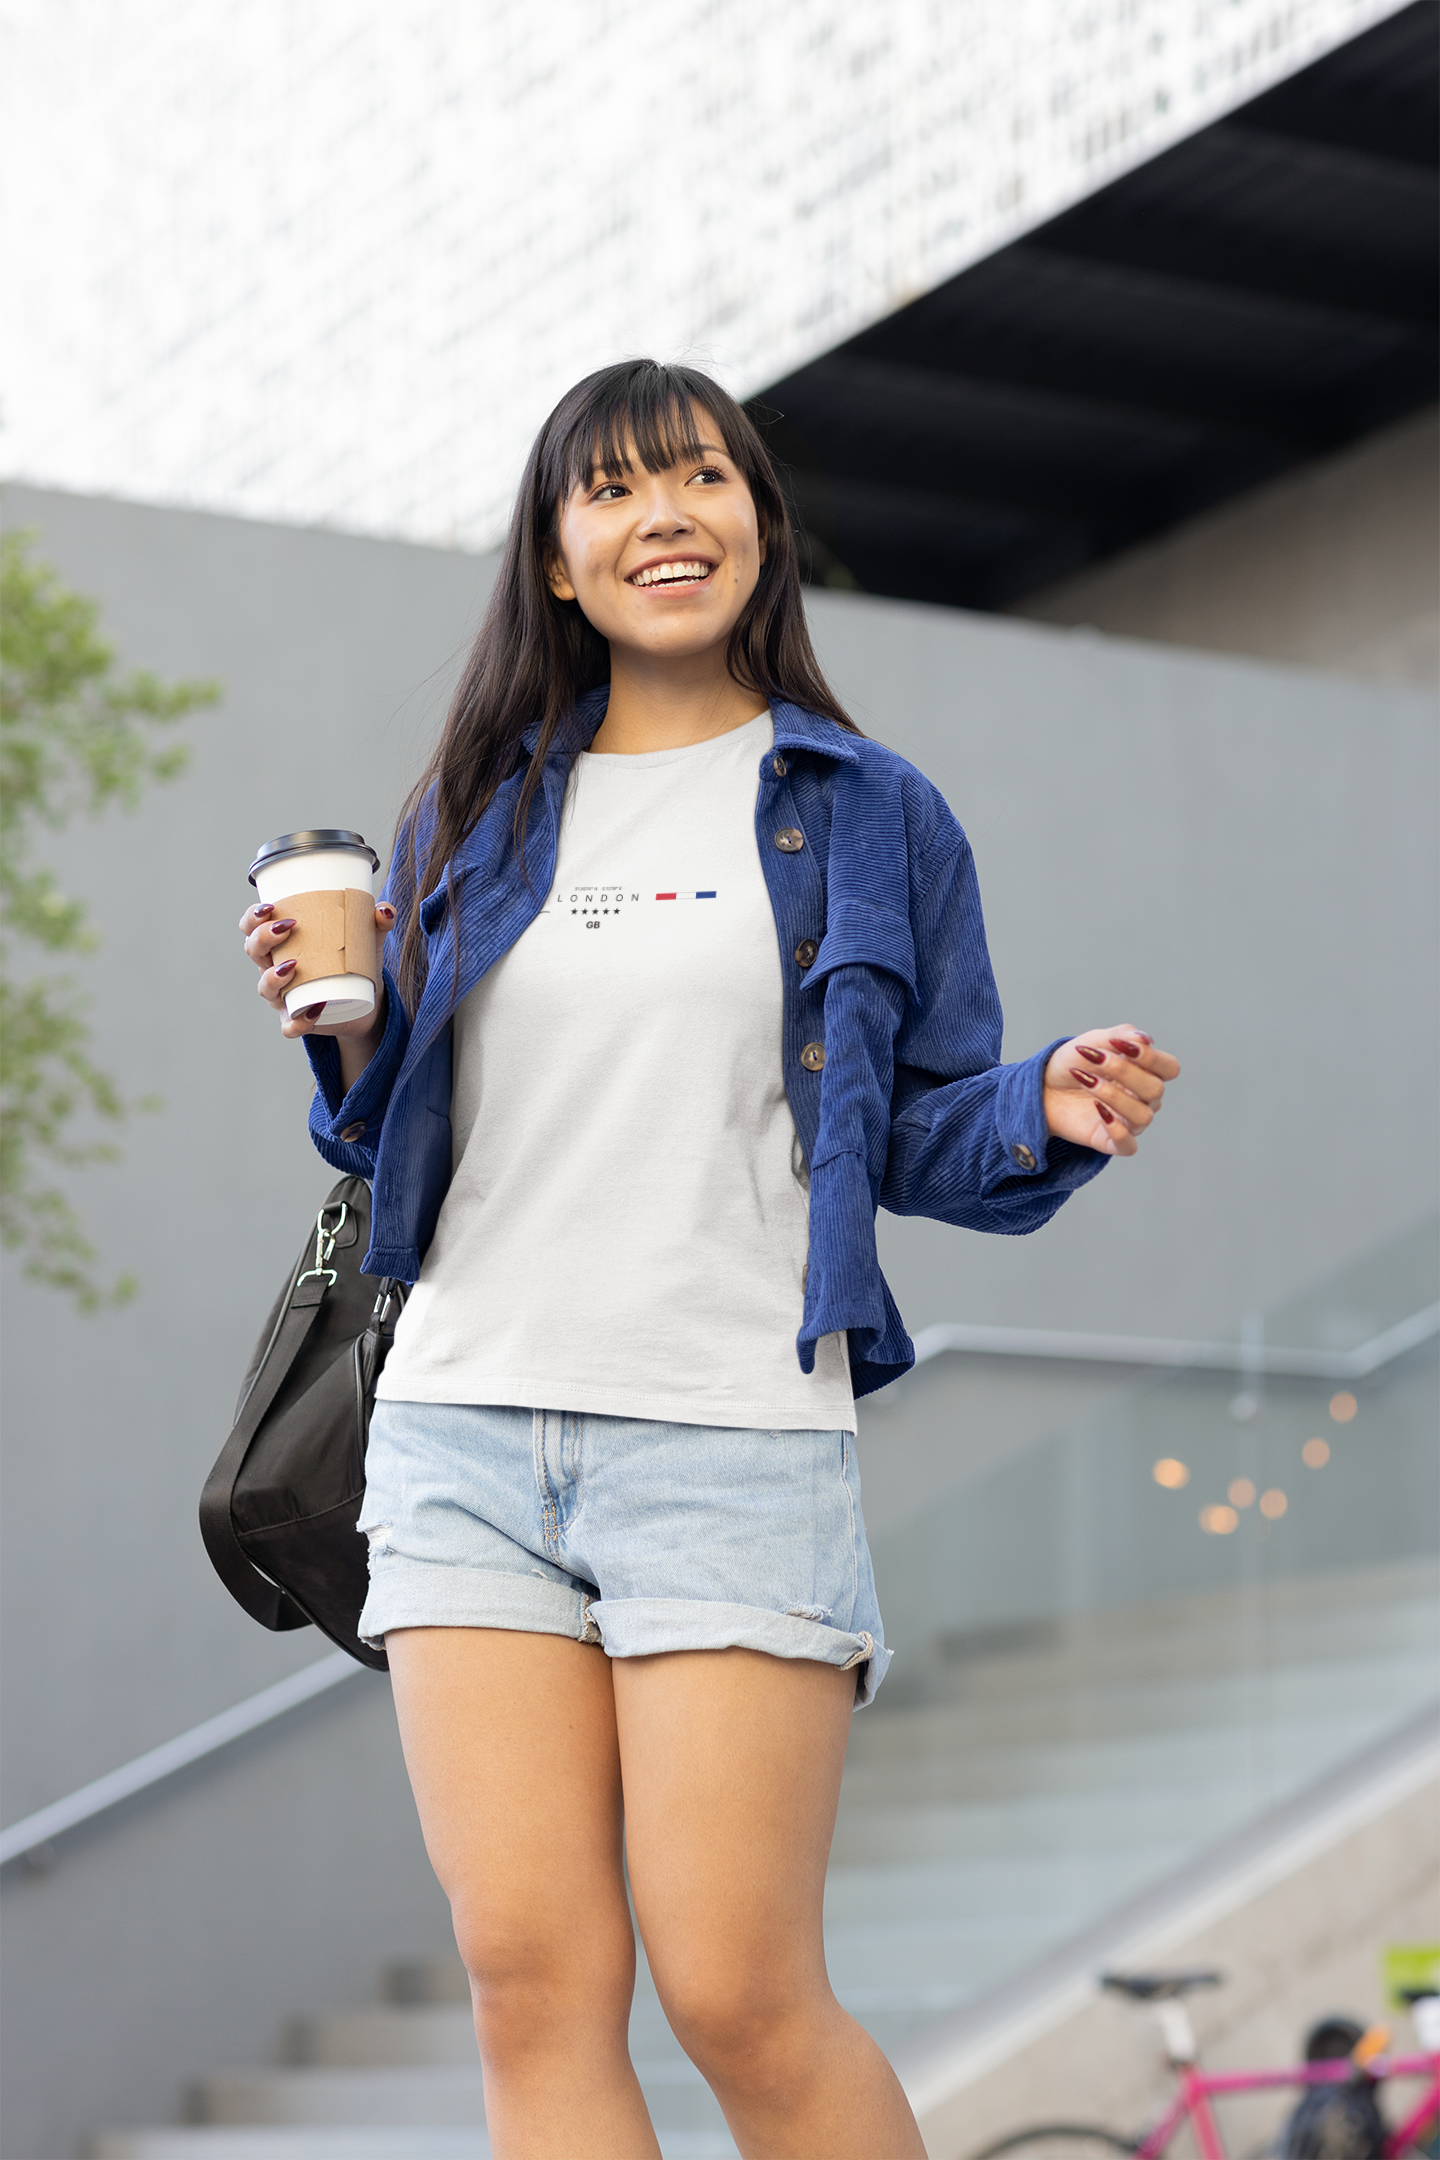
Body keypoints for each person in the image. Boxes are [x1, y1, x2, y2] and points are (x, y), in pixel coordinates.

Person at [241, 360, 1179, 2160]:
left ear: (758, 522)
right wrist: (343, 1034)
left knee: (741, 1993)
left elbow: (913, 1130)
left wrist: (1040, 1107)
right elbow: (397, 1144)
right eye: (611, 491)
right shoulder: (471, 809)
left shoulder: (872, 810)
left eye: (699, 477)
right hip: (460, 1432)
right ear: (558, 559)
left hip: (728, 1435)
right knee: (528, 1984)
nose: (662, 516)